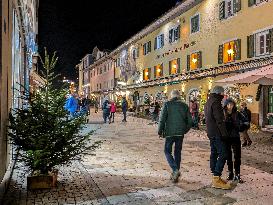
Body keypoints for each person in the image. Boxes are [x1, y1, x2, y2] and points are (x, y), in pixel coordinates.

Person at [158, 90, 192, 183]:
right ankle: (175, 173)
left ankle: (175, 170)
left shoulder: (167, 104)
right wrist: (184, 130)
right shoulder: (184, 105)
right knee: (178, 152)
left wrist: (159, 131)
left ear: (171, 96)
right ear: (179, 96)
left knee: (167, 151)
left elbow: (162, 119)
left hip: (169, 133)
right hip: (180, 134)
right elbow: (190, 121)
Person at [204, 85, 231, 190]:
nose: (223, 95)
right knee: (223, 153)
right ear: (220, 93)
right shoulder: (216, 103)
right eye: (222, 93)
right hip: (217, 132)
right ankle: (216, 177)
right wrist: (224, 134)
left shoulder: (208, 101)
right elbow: (219, 120)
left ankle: (215, 176)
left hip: (210, 132)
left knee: (214, 152)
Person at [223, 98, 244, 183]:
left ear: (234, 105)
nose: (230, 106)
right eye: (228, 104)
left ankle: (237, 174)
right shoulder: (222, 114)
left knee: (237, 156)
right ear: (225, 105)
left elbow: (245, 122)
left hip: (235, 137)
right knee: (228, 156)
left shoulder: (237, 113)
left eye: (231, 104)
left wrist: (239, 127)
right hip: (226, 138)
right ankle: (230, 173)